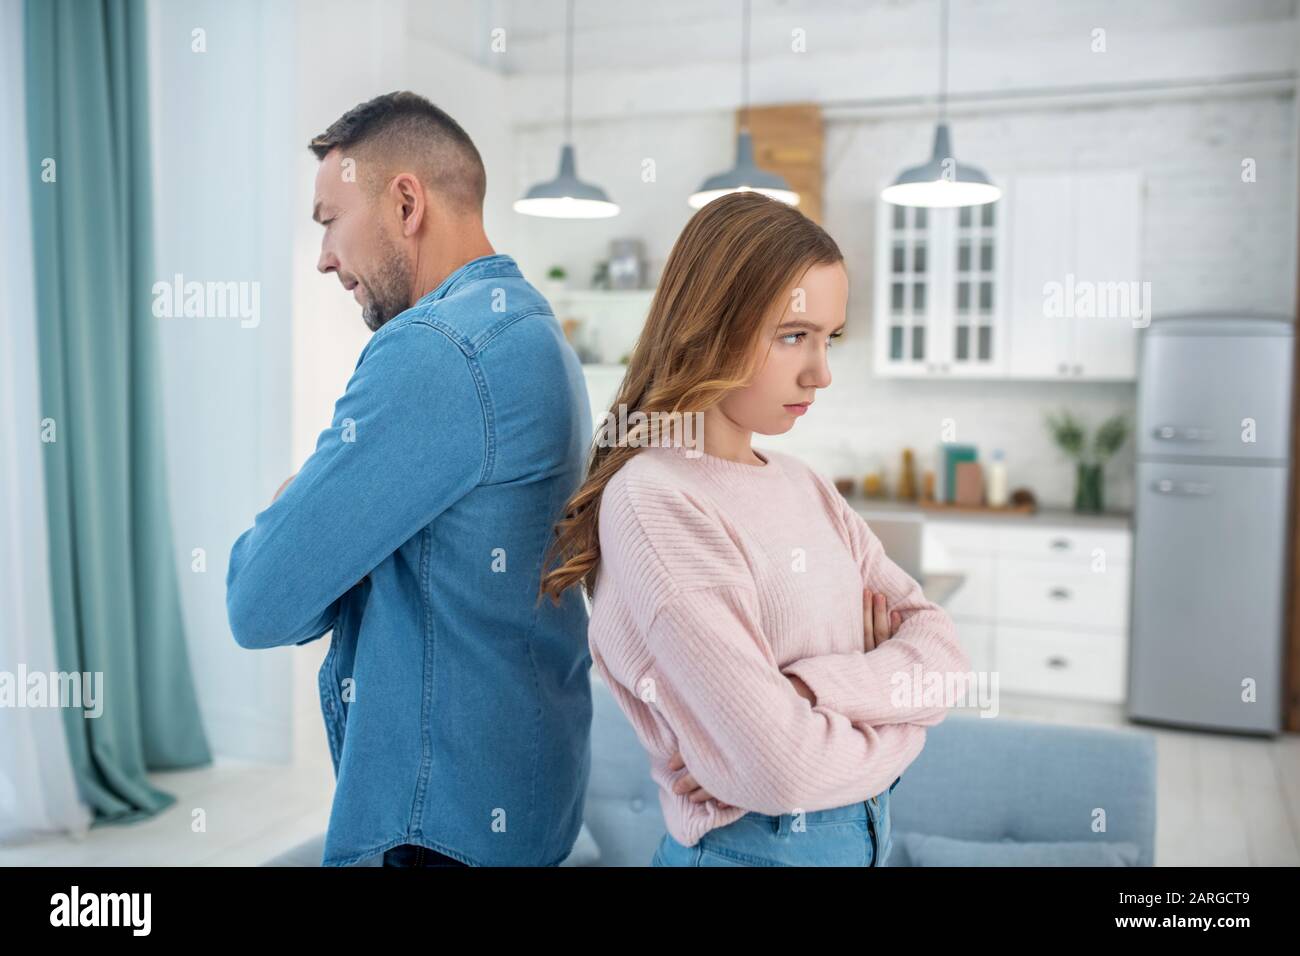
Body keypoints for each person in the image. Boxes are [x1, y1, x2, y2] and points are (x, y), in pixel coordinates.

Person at [540, 191, 970, 866]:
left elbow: (945, 664)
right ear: (711, 323)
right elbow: (783, 770)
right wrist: (894, 717)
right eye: (793, 335)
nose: (820, 372)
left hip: (862, 837)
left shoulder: (804, 483)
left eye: (829, 339)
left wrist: (806, 690)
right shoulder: (656, 501)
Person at [227, 91, 593, 867]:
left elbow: (258, 602)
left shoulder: (439, 352)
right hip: (522, 806)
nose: (324, 256)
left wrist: (297, 500)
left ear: (404, 202)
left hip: (438, 836)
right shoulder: (532, 329)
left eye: (328, 219)